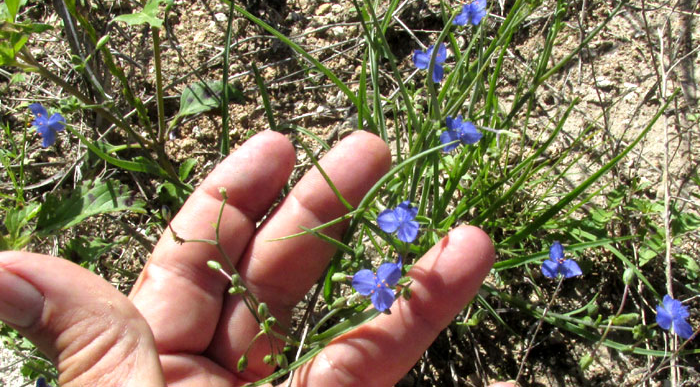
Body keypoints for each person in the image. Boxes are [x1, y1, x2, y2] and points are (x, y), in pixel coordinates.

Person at [0, 131, 514, 387]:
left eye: (382, 283)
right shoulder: (372, 279)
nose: (380, 285)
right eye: (380, 284)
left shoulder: (382, 276)